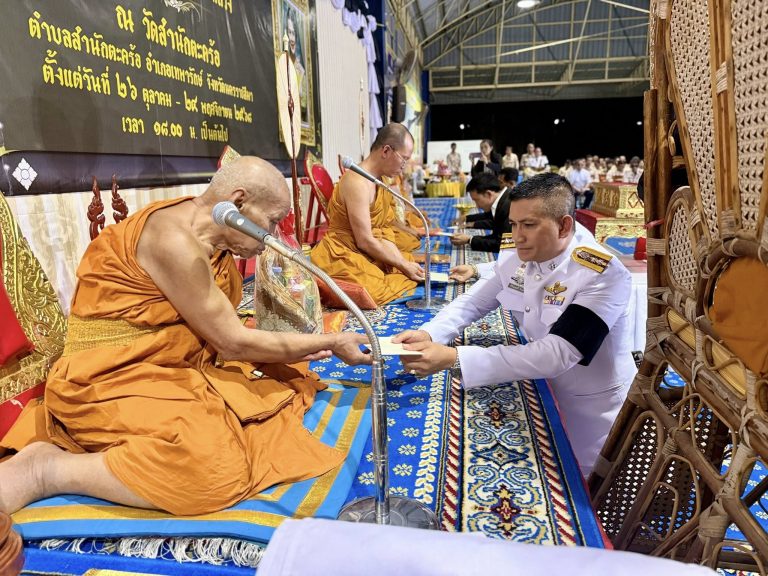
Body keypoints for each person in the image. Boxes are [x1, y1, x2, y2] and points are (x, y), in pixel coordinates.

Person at [0, 157, 372, 517]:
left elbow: (216, 328)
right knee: (210, 472)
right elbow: (232, 342)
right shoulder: (173, 240)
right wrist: (329, 342)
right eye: (272, 221)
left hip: (168, 364)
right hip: (106, 377)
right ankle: (49, 471)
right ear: (238, 202)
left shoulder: (207, 235)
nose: (272, 236)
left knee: (275, 392)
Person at [394, 173, 636, 476]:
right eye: (514, 224)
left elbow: (559, 353)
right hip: (536, 390)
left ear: (564, 225)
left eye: (529, 225)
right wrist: (428, 332)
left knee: (586, 494)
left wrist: (456, 358)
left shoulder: (600, 273)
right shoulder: (519, 251)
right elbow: (477, 300)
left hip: (589, 413)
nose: (518, 235)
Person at [310, 123, 424, 305]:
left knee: (405, 269)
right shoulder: (357, 182)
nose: (404, 166)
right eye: (403, 159)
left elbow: (384, 229)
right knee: (374, 291)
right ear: (386, 151)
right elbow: (364, 240)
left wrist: (400, 262)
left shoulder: (380, 181)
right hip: (343, 252)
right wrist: (402, 265)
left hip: (368, 250)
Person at [450, 173, 514, 253]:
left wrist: (470, 240)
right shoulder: (503, 199)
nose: (477, 206)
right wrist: (470, 238)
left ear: (488, 194)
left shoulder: (510, 206)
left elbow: (503, 244)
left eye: (477, 200)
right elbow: (495, 233)